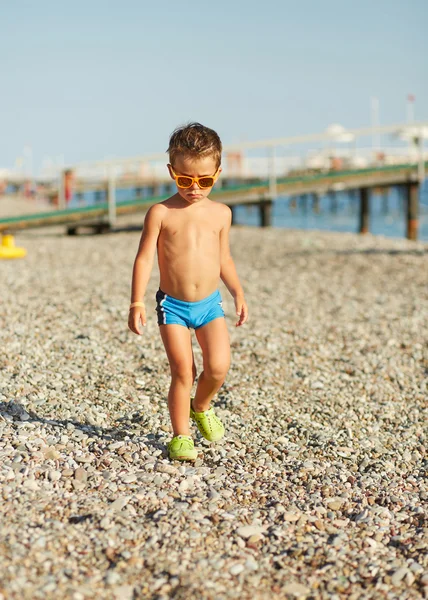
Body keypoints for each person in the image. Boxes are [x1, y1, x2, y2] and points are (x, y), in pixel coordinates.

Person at [128, 122, 248, 461]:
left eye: (205, 181)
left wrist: (238, 292)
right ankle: (181, 435)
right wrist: (136, 301)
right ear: (172, 172)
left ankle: (202, 406)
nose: (195, 189)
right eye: (185, 180)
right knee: (184, 371)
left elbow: (224, 257)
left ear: (218, 173)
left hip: (210, 305)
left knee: (219, 367)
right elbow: (144, 258)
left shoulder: (221, 213)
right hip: (173, 306)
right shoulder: (162, 213)